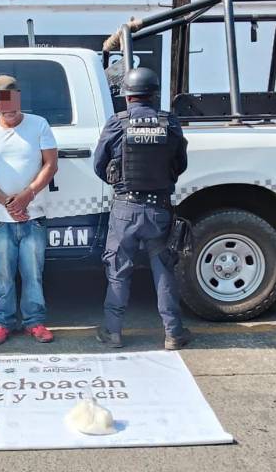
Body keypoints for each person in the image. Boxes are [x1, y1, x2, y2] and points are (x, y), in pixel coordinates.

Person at [93, 67, 192, 350]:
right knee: (164, 271)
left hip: (125, 209)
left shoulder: (117, 123)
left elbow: (99, 165)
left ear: (127, 96)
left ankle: (113, 332)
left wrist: (121, 183)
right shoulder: (169, 122)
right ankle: (173, 334)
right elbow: (180, 164)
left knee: (118, 270)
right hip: (159, 210)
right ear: (154, 95)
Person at [0, 75, 59, 345]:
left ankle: (35, 322)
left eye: (11, 104)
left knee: (33, 274)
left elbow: (51, 165)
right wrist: (9, 203)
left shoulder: (39, 124)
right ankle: (2, 323)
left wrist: (27, 195)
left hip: (33, 215)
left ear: (19, 98)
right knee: (3, 274)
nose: (7, 111)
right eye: (1, 106)